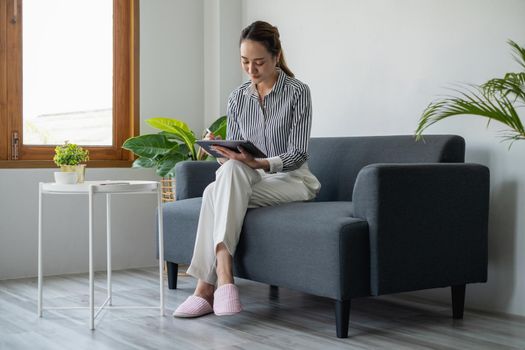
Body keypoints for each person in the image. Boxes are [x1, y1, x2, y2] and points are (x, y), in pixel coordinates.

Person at [173, 20, 321, 318]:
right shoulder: (237, 98)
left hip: (292, 179)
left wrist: (260, 163)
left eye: (258, 62)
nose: (251, 70)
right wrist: (219, 151)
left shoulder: (298, 92)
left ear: (276, 57)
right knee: (227, 176)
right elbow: (234, 162)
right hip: (247, 179)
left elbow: (298, 153)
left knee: (216, 192)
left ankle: (206, 287)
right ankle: (224, 280)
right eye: (244, 62)